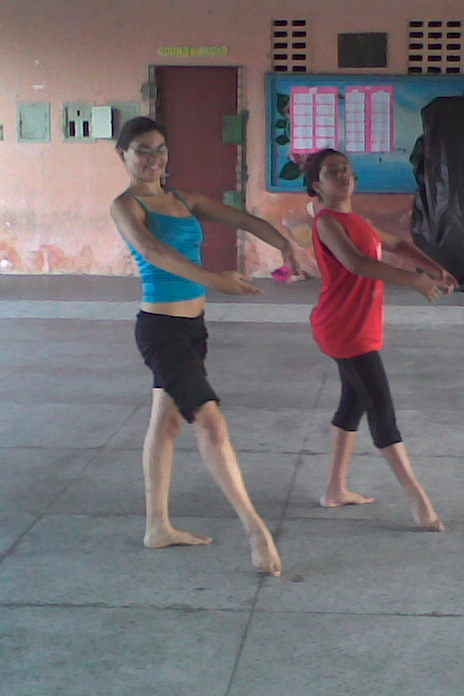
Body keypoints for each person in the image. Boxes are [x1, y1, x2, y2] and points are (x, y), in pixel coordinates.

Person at [110, 116, 299, 576]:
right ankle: (255, 530)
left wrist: (285, 244)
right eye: (142, 150)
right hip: (161, 330)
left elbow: (244, 219)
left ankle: (157, 527)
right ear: (123, 155)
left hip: (193, 328)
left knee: (167, 423)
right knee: (211, 423)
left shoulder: (184, 199)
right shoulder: (126, 205)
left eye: (159, 149)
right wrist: (215, 279)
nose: (153, 159)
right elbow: (156, 253)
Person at [305, 148, 457, 531]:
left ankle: (335, 489)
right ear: (317, 186)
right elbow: (356, 263)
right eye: (332, 172)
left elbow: (399, 246)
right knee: (380, 407)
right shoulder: (327, 223)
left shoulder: (359, 221)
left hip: (363, 325)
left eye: (346, 170)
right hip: (342, 327)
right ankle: (418, 498)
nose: (343, 176)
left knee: (353, 402)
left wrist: (434, 267)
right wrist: (414, 280)